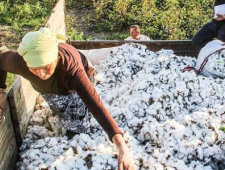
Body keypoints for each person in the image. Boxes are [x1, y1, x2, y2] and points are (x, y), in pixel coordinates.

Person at [0, 28, 135, 170]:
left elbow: (95, 104)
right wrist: (1, 91)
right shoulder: (21, 62)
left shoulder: (72, 70)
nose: (40, 73)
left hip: (82, 73)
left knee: (79, 127)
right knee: (61, 108)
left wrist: (121, 146)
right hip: (53, 90)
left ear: (55, 59)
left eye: (46, 67)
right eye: (34, 69)